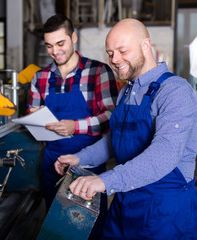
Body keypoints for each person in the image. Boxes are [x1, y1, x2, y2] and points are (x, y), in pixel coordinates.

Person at [55, 18, 197, 239]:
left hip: (163, 211)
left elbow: (165, 154)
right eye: (110, 53)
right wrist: (80, 158)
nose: (115, 59)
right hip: (124, 201)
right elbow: (116, 140)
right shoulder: (127, 91)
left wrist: (104, 180)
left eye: (122, 51)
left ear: (145, 45)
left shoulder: (175, 91)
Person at [28, 14, 118, 236]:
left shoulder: (98, 72)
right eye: (49, 46)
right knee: (57, 230)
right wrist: (34, 117)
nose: (55, 51)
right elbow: (32, 112)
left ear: (74, 38)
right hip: (53, 164)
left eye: (60, 43)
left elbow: (112, 115)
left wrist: (75, 126)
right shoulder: (40, 78)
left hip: (88, 166)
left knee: (89, 230)